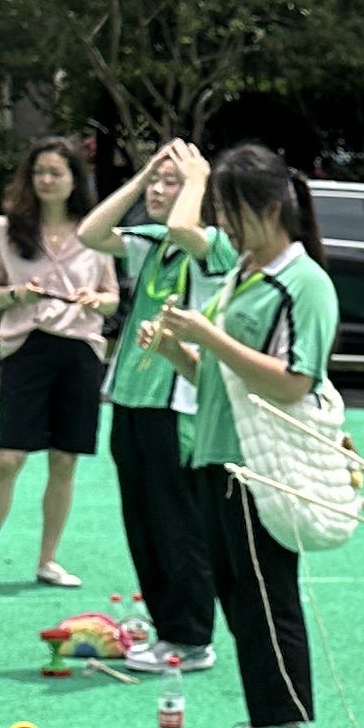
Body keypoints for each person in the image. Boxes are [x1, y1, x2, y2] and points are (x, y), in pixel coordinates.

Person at [147, 144, 338, 728]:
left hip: (258, 465)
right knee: (241, 595)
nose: (224, 225)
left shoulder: (303, 283)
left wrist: (210, 337)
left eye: (231, 211)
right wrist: (178, 351)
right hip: (218, 455)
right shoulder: (247, 273)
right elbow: (217, 377)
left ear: (271, 207)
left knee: (265, 598)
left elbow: (294, 382)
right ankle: (274, 726)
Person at [77, 138, 225, 671]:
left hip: (178, 402)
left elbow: (187, 228)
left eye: (171, 183)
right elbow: (90, 233)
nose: (158, 192)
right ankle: (167, 633)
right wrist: (141, 178)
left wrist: (196, 179)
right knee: (141, 521)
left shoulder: (213, 245)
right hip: (130, 396)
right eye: (155, 183)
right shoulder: (153, 243)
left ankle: (192, 637)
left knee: (177, 522)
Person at [0, 141, 115, 590]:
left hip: (81, 350)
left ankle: (48, 561)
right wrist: (17, 295)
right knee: (9, 457)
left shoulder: (95, 232)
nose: (46, 180)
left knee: (65, 459)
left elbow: (112, 297)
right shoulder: (7, 228)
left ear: (75, 180)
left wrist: (97, 300)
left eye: (56, 172)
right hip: (27, 347)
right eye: (40, 172)